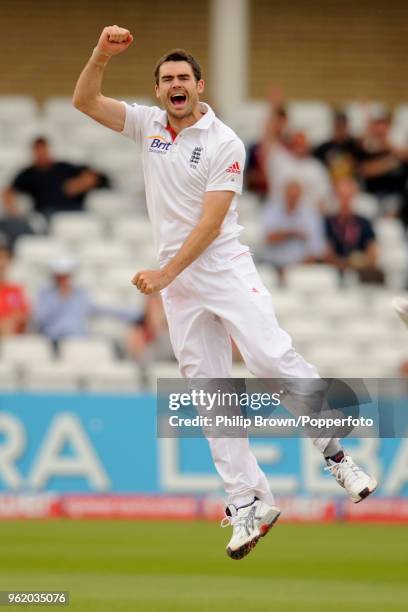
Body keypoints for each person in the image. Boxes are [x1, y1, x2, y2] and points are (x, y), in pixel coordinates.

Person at [73, 25, 377, 560]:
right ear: (158, 89)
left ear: (199, 85)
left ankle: (334, 451)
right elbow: (85, 100)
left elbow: (212, 223)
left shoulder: (224, 141)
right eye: (166, 79)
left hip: (221, 266)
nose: (174, 85)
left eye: (183, 77)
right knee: (211, 395)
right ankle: (249, 500)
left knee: (267, 355)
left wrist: (165, 274)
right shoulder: (147, 125)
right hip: (179, 282)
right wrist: (100, 53)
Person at [33, 256, 142, 348]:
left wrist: (136, 315)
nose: (63, 280)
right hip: (53, 342)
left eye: (66, 276)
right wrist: (60, 298)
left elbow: (104, 309)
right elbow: (40, 319)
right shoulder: (45, 295)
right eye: (60, 277)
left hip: (79, 343)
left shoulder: (80, 296)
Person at [2, 137, 110, 220]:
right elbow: (8, 191)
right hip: (47, 213)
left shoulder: (64, 167)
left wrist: (80, 184)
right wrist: (14, 211)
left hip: (75, 210)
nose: (41, 154)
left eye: (43, 149)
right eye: (37, 150)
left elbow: (98, 177)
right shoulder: (28, 174)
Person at [260, 179, 326, 280]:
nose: (292, 199)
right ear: (284, 194)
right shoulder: (271, 211)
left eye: (295, 196)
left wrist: (297, 268)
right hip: (272, 266)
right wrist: (291, 233)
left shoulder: (310, 215)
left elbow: (316, 248)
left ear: (300, 195)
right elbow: (266, 239)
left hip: (300, 268)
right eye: (290, 195)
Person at [325, 178, 384, 283]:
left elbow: (372, 252)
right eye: (341, 197)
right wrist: (344, 264)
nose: (345, 202)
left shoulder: (364, 223)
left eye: (348, 197)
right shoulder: (327, 223)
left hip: (360, 271)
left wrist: (360, 262)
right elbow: (327, 253)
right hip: (335, 272)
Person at [313, 110, 359, 180]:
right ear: (333, 126)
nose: (340, 130)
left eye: (343, 126)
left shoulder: (355, 146)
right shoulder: (322, 149)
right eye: (338, 126)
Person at [0, 241, 30, 336]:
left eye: (4, 258)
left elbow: (20, 313)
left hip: (10, 336)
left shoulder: (13, 291)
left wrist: (8, 322)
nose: (1, 263)